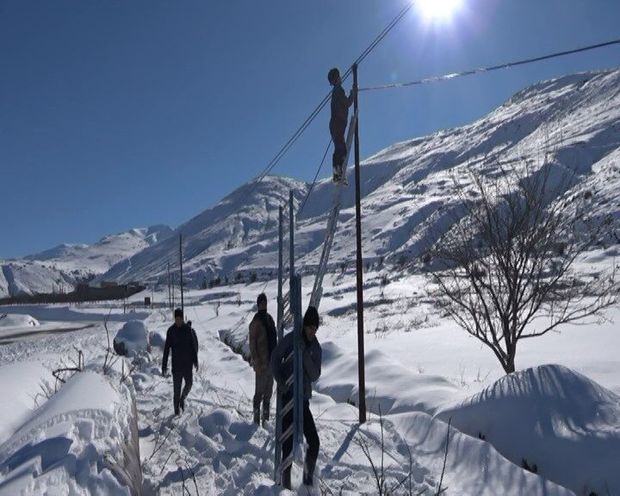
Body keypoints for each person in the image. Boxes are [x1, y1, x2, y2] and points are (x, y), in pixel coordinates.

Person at [271, 306, 322, 489]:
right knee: (287, 447)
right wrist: (281, 381)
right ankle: (285, 488)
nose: (311, 331)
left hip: (302, 402)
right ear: (304, 327)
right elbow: (275, 357)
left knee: (314, 442)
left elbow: (315, 374)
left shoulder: (315, 347)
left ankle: (307, 483)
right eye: (309, 327)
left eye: (314, 328)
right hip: (288, 401)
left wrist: (304, 354)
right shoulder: (292, 339)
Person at [162, 308, 199, 415]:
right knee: (176, 392)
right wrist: (164, 365)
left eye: (180, 319)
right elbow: (166, 349)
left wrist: (195, 361)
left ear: (182, 319)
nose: (178, 321)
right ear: (175, 319)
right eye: (176, 319)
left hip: (187, 365)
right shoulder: (171, 331)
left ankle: (183, 398)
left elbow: (193, 346)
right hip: (176, 366)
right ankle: (176, 413)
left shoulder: (188, 330)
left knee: (189, 384)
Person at [249, 293, 277, 426]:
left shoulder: (270, 319)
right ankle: (255, 421)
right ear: (257, 304)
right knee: (258, 394)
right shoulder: (255, 322)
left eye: (264, 302)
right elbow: (252, 345)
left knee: (268, 394)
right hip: (261, 364)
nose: (263, 305)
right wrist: (256, 362)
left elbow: (274, 340)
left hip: (271, 363)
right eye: (260, 303)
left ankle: (265, 421)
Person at [328, 67, 354, 183]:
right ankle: (337, 175)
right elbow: (347, 103)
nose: (340, 78)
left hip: (336, 125)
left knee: (340, 149)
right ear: (337, 79)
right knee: (341, 150)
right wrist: (353, 93)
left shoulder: (336, 91)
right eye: (339, 76)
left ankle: (337, 174)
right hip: (337, 124)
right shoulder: (339, 90)